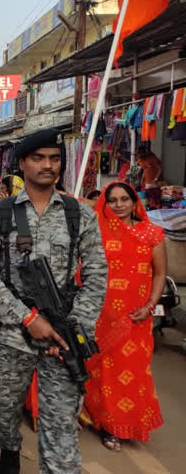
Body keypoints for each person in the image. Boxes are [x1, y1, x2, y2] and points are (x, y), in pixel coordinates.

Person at [0, 128, 108, 474]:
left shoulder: (80, 215)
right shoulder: (1, 214)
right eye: (39, 158)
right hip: (13, 335)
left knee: (62, 430)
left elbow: (96, 275)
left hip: (63, 338)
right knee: (5, 411)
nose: (48, 165)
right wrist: (28, 319)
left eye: (55, 159)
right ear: (22, 163)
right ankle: (9, 448)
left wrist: (70, 329)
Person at [83, 182, 166, 451]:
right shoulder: (96, 233)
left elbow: (159, 274)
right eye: (113, 200)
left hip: (136, 317)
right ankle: (108, 425)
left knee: (133, 372)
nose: (119, 205)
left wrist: (151, 305)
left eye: (124, 199)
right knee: (103, 373)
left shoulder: (151, 234)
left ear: (134, 202)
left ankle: (126, 421)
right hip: (101, 315)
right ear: (105, 204)